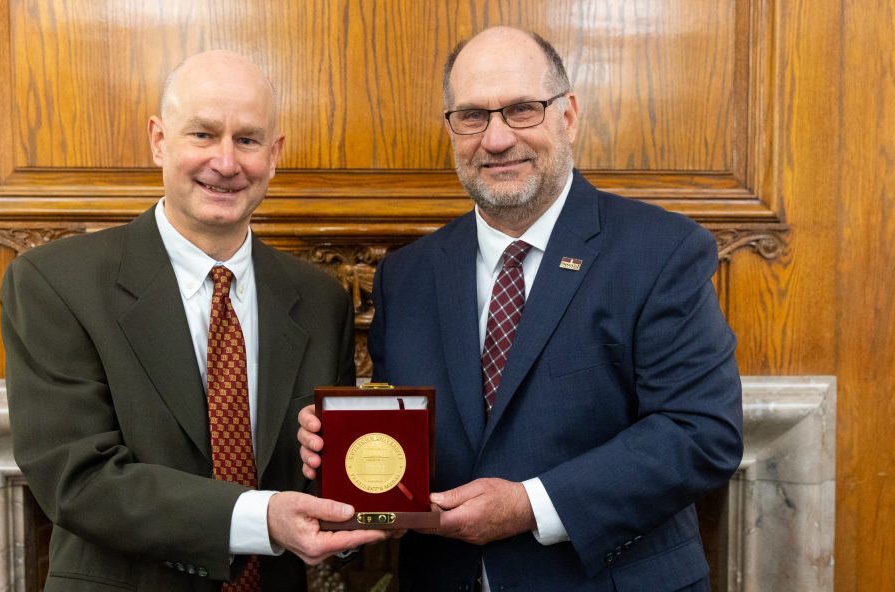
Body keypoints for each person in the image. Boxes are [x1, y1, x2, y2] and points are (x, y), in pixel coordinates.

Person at [298, 26, 743, 591]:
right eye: (472, 116)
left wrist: (532, 504)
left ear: (568, 115)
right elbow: (405, 443)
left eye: (521, 110)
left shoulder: (660, 251)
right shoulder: (406, 275)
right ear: (452, 129)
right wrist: (346, 449)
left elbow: (701, 432)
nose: (497, 138)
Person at [0, 50, 385, 591]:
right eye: (202, 135)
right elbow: (75, 480)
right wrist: (259, 517)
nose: (226, 163)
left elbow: (326, 477)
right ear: (159, 140)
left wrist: (364, 494)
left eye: (247, 140)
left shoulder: (320, 299)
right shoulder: (55, 282)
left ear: (273, 155)